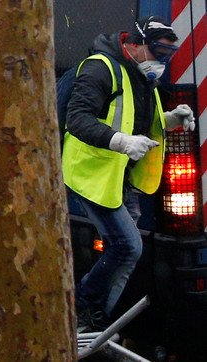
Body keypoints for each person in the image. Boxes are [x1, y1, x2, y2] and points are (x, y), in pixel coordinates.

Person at [63, 17, 190, 331]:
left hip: (123, 179)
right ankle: (82, 304)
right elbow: (77, 119)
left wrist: (173, 118)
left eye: (167, 55)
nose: (160, 61)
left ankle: (95, 325)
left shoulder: (142, 75)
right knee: (128, 246)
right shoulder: (100, 68)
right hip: (93, 175)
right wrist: (119, 141)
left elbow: (140, 121)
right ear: (134, 44)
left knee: (125, 253)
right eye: (157, 52)